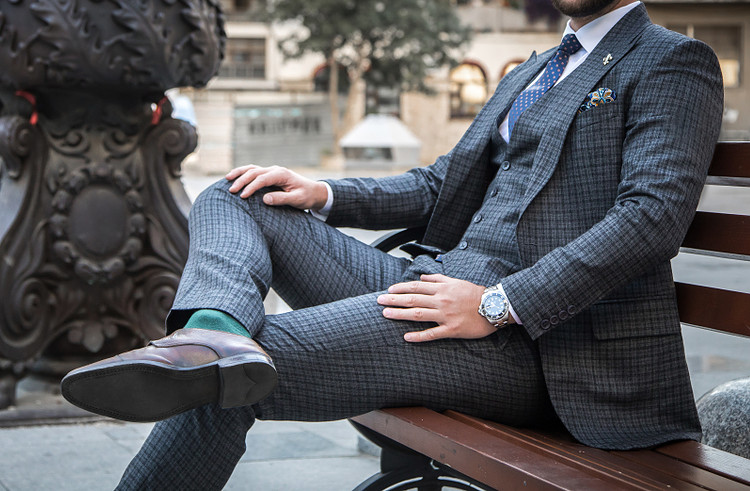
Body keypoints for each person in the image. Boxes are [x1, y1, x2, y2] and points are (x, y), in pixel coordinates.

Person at [61, 0, 724, 488]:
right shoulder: (534, 69)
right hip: (434, 287)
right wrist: (323, 192)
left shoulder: (670, 61)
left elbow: (651, 219)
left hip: (538, 342)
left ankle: (215, 355)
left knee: (234, 379)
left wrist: (496, 303)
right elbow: (442, 184)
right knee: (237, 195)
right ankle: (211, 328)